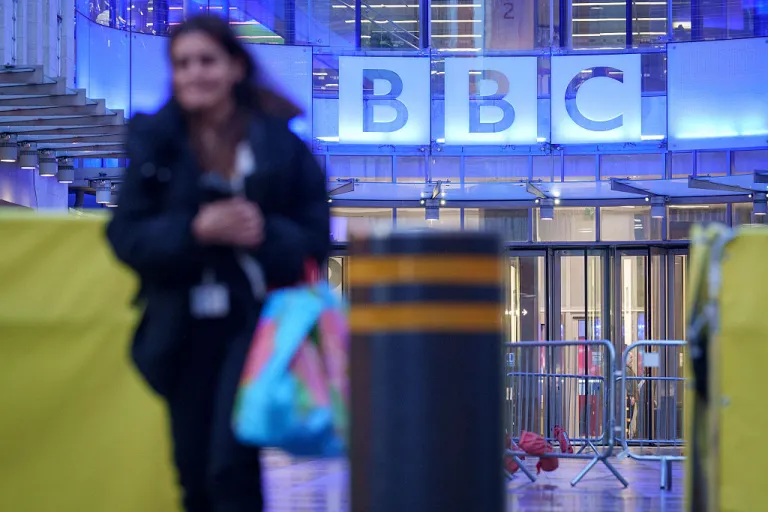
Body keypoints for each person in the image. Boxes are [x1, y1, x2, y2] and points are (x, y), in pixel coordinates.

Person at [105, 14, 330, 512]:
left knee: (230, 468)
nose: (194, 74)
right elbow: (125, 235)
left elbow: (315, 237)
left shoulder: (279, 143)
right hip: (178, 326)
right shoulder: (154, 142)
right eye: (182, 64)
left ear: (234, 66)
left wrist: (263, 232)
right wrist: (195, 230)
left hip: (256, 323)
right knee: (192, 472)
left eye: (206, 60)